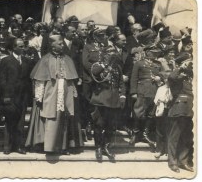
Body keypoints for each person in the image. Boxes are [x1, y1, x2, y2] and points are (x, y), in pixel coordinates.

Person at [29, 35, 80, 154]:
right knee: (50, 118)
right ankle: (49, 147)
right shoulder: (45, 59)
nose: (62, 46)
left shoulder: (67, 58)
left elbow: (71, 79)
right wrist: (39, 95)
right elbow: (40, 80)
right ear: (52, 45)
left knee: (64, 119)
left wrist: (73, 92)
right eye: (60, 44)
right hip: (50, 92)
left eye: (62, 44)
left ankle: (62, 147)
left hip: (65, 92)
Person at [85, 29, 126, 160]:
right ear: (104, 55)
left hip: (113, 99)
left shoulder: (117, 68)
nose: (112, 56)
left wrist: (122, 95)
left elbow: (121, 83)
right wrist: (105, 63)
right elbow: (96, 74)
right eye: (109, 54)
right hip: (100, 99)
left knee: (110, 125)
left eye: (113, 54)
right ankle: (98, 148)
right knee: (99, 124)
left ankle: (106, 147)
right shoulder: (98, 65)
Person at [0, 38, 34, 155]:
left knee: (20, 121)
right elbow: (3, 80)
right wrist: (6, 95)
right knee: (9, 121)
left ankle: (18, 145)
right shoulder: (6, 61)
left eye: (23, 46)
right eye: (20, 46)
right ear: (14, 47)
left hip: (22, 96)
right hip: (10, 96)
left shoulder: (27, 61)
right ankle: (7, 146)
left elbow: (29, 80)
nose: (23, 48)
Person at [129, 49, 162, 149]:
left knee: (150, 113)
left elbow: (163, 74)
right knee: (138, 112)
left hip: (153, 91)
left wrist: (159, 78)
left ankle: (145, 134)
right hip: (142, 90)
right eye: (152, 52)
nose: (154, 53)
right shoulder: (139, 63)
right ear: (147, 53)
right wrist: (133, 92)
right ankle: (135, 134)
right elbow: (134, 78)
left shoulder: (158, 64)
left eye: (155, 52)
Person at [167, 53, 194, 173]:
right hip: (180, 108)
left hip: (191, 109)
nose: (190, 63)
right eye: (188, 61)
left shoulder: (191, 75)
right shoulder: (178, 75)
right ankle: (172, 162)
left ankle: (183, 161)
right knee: (175, 137)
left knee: (188, 137)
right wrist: (180, 67)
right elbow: (171, 78)